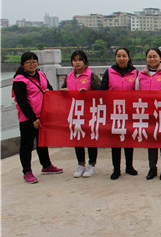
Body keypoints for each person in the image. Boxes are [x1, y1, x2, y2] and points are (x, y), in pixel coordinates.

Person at [12, 51, 63, 183]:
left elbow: (49, 88)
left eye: (34, 61)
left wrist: (49, 92)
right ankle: (27, 171)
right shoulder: (19, 80)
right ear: (23, 64)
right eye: (28, 62)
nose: (32, 64)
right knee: (27, 145)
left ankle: (46, 165)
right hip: (28, 117)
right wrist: (33, 118)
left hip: (43, 114)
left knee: (42, 141)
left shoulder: (41, 74)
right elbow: (22, 102)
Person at [136, 48, 161, 180]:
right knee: (151, 143)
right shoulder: (141, 75)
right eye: (149, 57)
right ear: (146, 59)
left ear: (160, 58)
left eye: (155, 56)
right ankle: (152, 168)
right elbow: (137, 93)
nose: (152, 59)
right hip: (148, 114)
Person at [61, 50, 101, 178]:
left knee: (90, 138)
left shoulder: (92, 76)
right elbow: (63, 91)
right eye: (74, 60)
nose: (77, 63)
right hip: (74, 112)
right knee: (77, 138)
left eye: (80, 60)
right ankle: (81, 164)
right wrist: (64, 91)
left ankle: (92, 164)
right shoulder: (69, 77)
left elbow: (101, 92)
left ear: (85, 61)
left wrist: (89, 93)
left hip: (89, 112)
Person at [100, 47, 138, 180]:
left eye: (124, 56)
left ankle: (129, 166)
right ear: (115, 57)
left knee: (129, 140)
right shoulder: (109, 72)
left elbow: (139, 92)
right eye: (118, 56)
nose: (121, 58)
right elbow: (102, 91)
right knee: (115, 141)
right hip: (114, 112)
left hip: (129, 112)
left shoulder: (135, 72)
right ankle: (116, 169)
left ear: (128, 57)